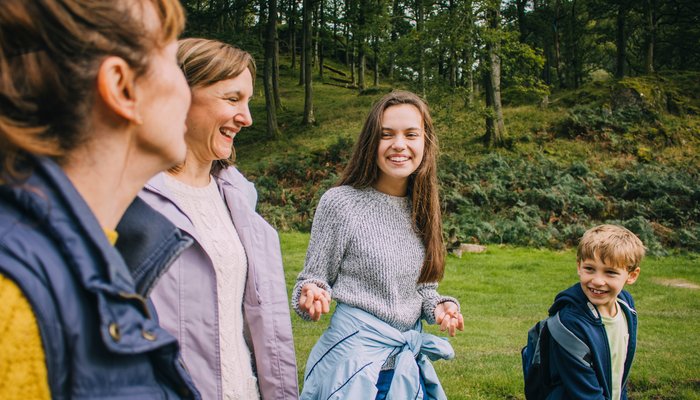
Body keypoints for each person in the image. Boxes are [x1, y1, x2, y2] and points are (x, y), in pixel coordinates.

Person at [0, 0, 200, 399]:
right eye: (174, 61)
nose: (188, 93)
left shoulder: (104, 253)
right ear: (122, 88)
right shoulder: (12, 306)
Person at [138, 38, 298, 400]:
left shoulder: (239, 197)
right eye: (232, 99)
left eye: (248, 102)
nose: (247, 118)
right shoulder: (130, 197)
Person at [292, 90, 465, 399]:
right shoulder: (341, 203)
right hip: (353, 369)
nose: (399, 144)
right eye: (387, 135)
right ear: (372, 142)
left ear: (425, 142)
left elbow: (423, 290)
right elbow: (313, 279)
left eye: (411, 134)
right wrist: (311, 294)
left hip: (406, 369)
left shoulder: (424, 208)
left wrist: (440, 305)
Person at [543, 224, 645, 399]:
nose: (598, 281)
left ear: (632, 275)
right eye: (590, 269)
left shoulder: (626, 307)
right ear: (579, 266)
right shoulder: (570, 323)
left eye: (610, 272)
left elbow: (619, 373)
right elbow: (585, 393)